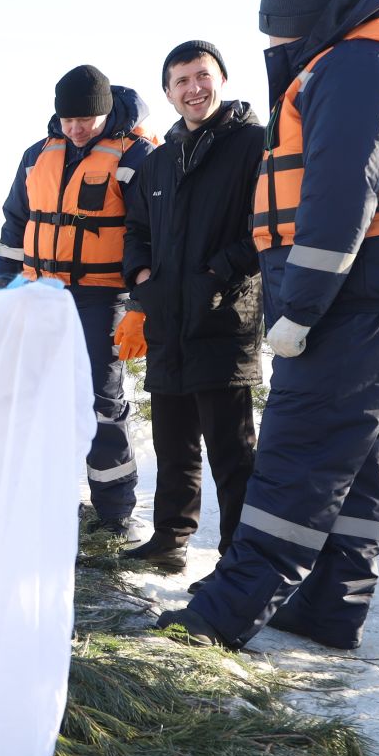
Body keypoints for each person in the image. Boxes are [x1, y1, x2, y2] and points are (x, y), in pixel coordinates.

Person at [158, 0, 379, 649]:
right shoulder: (357, 61)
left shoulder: (356, 68)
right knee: (349, 461)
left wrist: (302, 307)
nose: (271, 55)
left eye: (275, 41)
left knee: (296, 457)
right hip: (362, 293)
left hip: (347, 300)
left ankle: (220, 616)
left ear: (303, 30)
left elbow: (341, 196)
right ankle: (328, 606)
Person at [118, 41, 264, 574]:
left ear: (222, 80)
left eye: (201, 76)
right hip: (168, 320)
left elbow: (265, 227)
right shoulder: (158, 162)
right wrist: (141, 278)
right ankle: (169, 540)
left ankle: (237, 561)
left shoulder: (252, 145)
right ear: (168, 93)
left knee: (232, 453)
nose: (193, 89)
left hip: (222, 318)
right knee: (173, 445)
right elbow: (136, 230)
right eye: (181, 81)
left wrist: (216, 274)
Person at [0, 64, 155, 535]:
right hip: (40, 294)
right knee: (37, 398)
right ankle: (48, 502)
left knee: (101, 403)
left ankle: (114, 513)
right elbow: (15, 224)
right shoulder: (36, 155)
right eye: (67, 120)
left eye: (85, 120)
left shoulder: (137, 156)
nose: (76, 128)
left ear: (106, 113)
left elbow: (148, 234)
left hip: (102, 297)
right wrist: (0, 287)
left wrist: (142, 303)